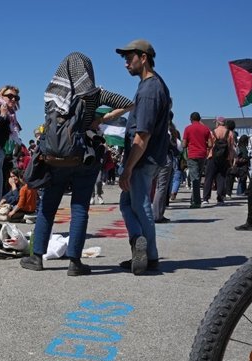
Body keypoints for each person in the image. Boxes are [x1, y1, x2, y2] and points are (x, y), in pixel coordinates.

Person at [21, 52, 133, 276]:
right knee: (80, 207)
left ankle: (36, 257)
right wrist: (100, 119)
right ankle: (75, 262)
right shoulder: (94, 94)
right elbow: (129, 104)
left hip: (54, 159)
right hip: (84, 157)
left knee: (48, 207)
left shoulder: (52, 94)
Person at [114, 39, 171, 275]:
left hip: (143, 158)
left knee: (139, 204)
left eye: (130, 57)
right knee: (128, 204)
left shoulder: (149, 89)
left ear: (144, 58)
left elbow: (142, 136)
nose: (126, 63)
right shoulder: (152, 85)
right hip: (149, 158)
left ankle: (147, 253)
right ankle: (142, 246)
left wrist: (127, 168)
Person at [182, 112, 212, 209]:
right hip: (202, 155)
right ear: (200, 119)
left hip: (192, 155)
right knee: (197, 177)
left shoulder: (188, 128)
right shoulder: (206, 129)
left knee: (194, 178)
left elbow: (183, 144)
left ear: (191, 119)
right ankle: (193, 199)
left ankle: (196, 202)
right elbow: (211, 144)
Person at [203, 116, 233, 206]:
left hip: (213, 157)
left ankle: (205, 198)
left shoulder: (213, 132)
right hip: (224, 158)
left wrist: (207, 155)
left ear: (218, 123)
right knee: (221, 178)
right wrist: (230, 159)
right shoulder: (230, 133)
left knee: (209, 178)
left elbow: (210, 145)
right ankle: (220, 198)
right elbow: (231, 148)